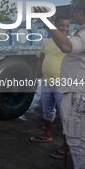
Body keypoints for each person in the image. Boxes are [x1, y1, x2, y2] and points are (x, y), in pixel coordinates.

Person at [46, 0, 85, 169]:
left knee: (77, 144)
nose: (73, 14)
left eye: (75, 10)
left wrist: (46, 21)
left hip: (76, 95)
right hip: (77, 92)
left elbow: (66, 46)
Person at [29, 14, 70, 158]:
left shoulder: (68, 43)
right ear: (54, 26)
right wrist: (35, 79)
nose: (65, 29)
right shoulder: (46, 42)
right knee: (47, 111)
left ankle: (67, 145)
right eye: (61, 26)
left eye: (67, 26)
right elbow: (40, 61)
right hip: (46, 82)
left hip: (62, 84)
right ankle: (47, 135)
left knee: (66, 116)